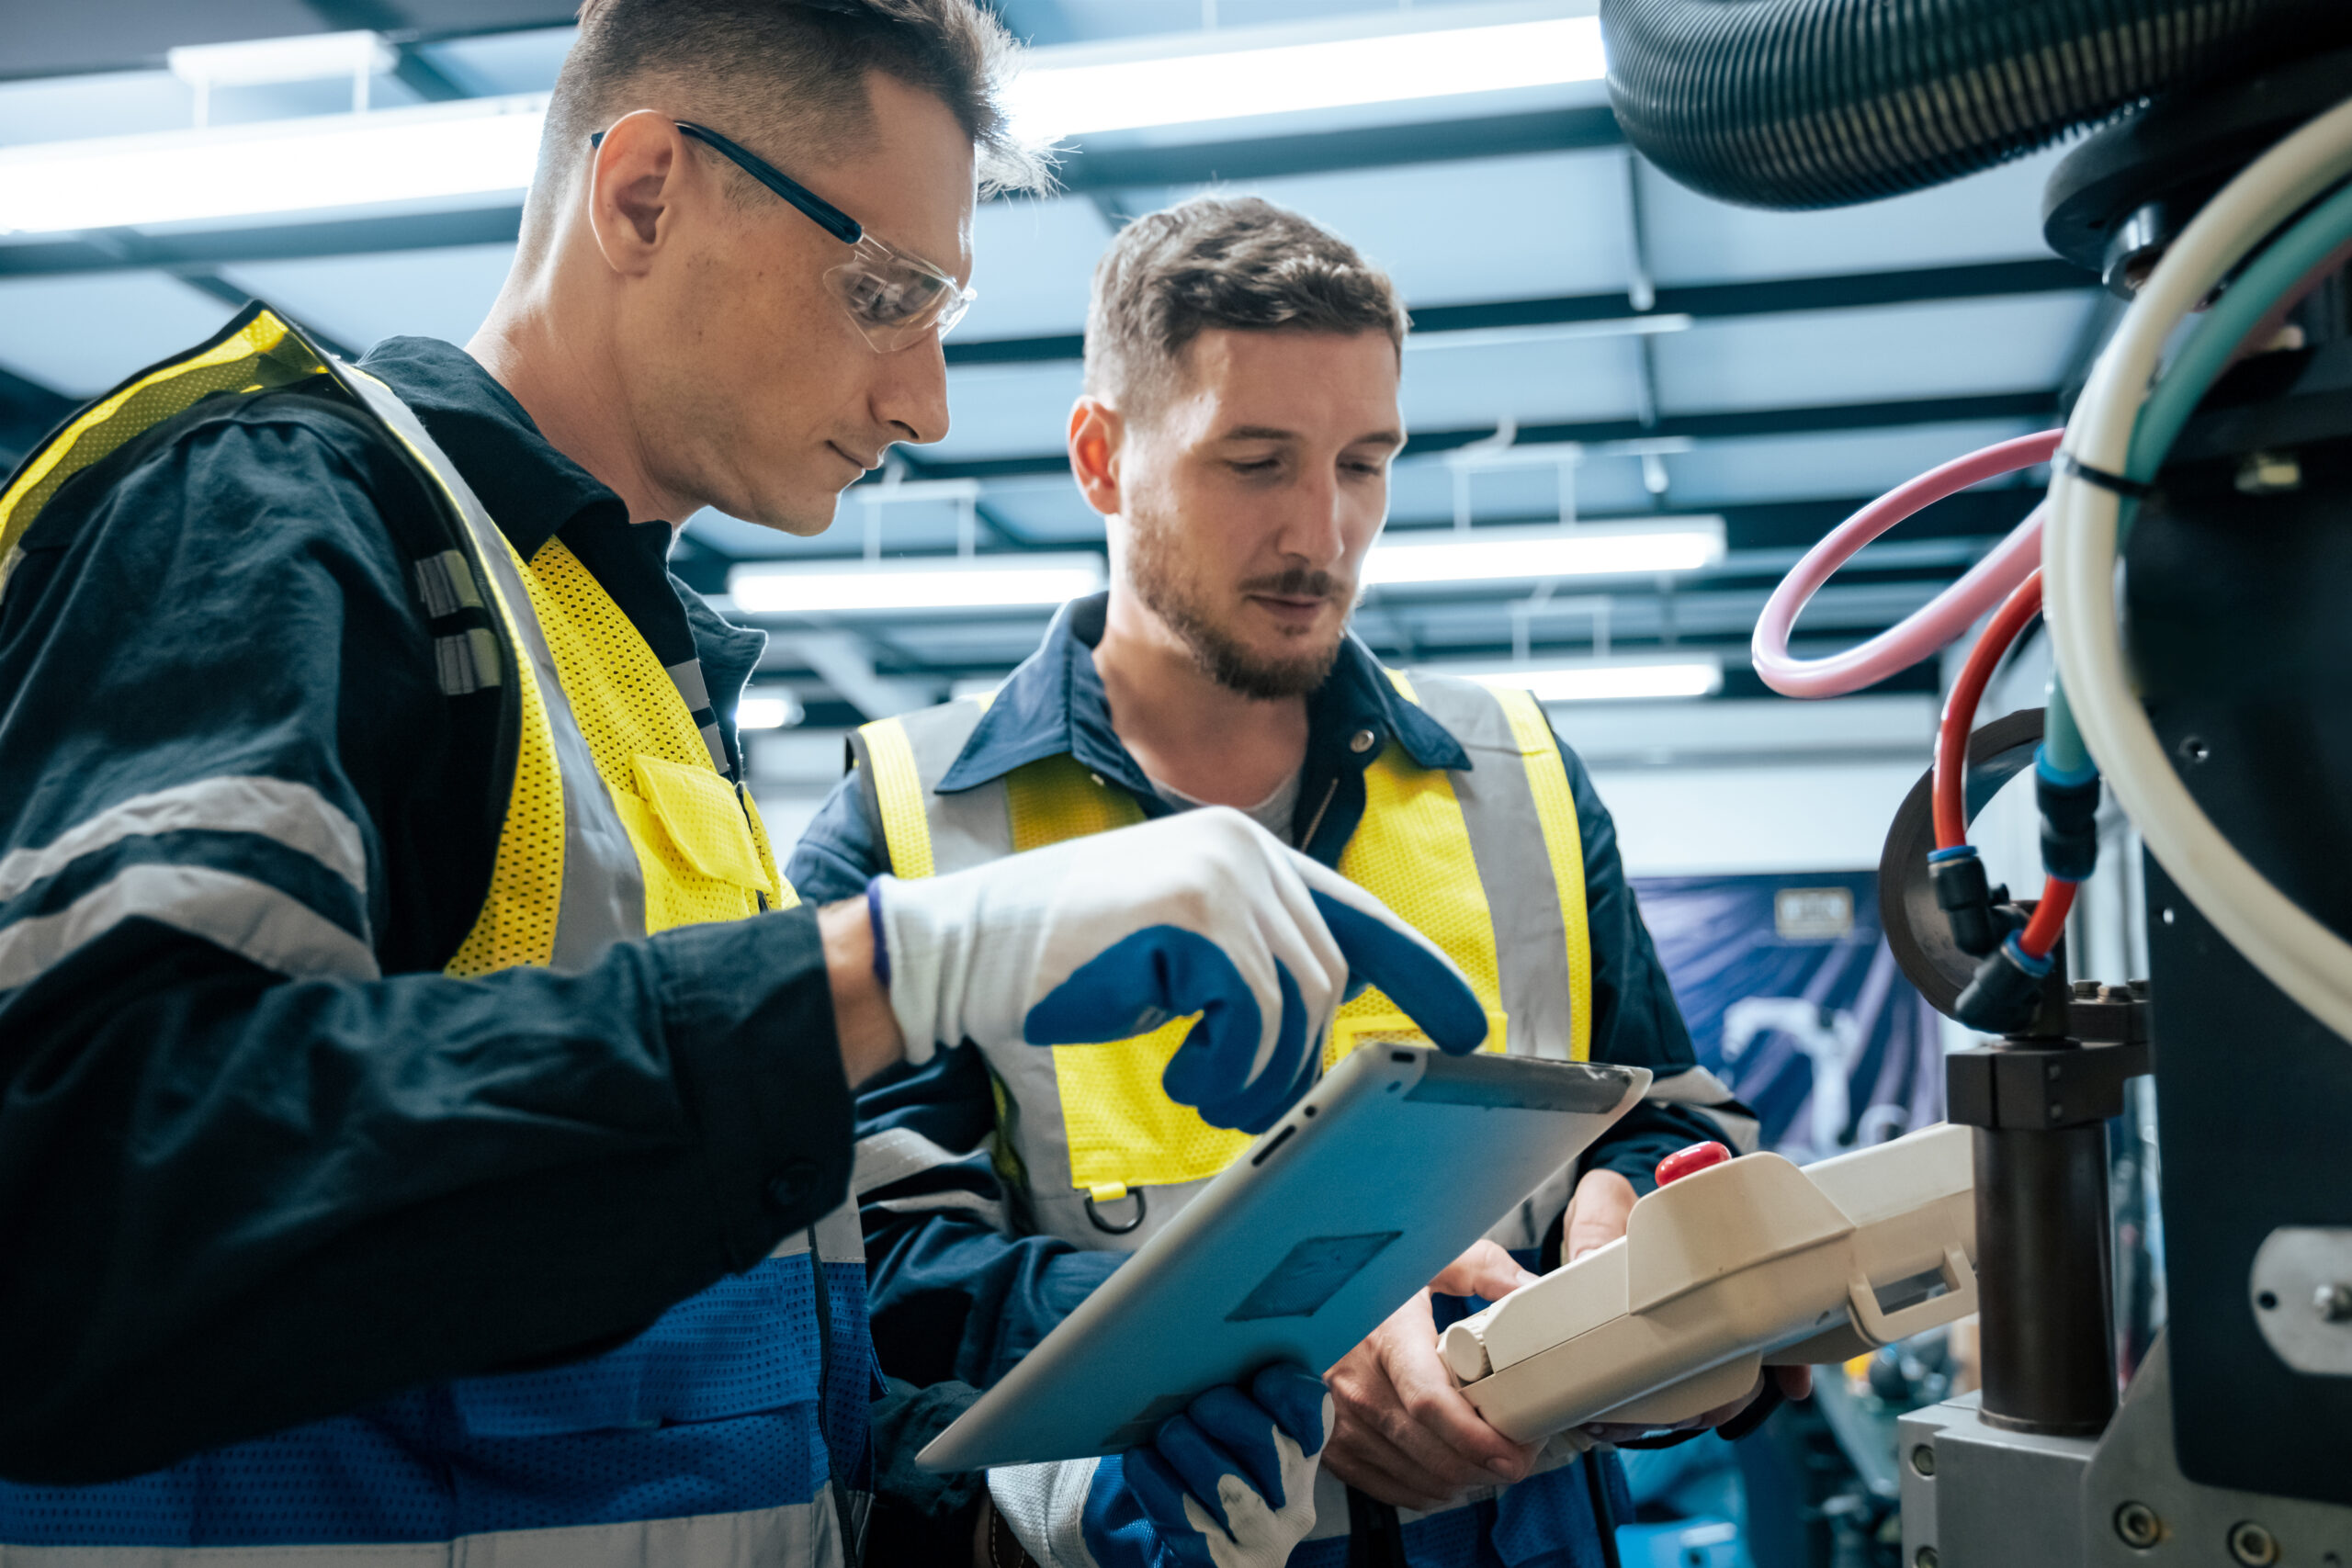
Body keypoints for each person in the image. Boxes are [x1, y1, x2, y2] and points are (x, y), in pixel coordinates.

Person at [0, 9, 1483, 1564]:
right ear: (643, 193)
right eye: (886, 294)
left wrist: (1019, 1507)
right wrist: (888, 966)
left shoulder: (620, 669)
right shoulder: (271, 514)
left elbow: (708, 1376)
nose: (928, 404)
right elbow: (86, 1199)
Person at [787, 196, 1797, 1568]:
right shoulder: (913, 819)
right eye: (1255, 462)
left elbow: (1665, 1107)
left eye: (1365, 462)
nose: (1322, 533)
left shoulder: (1522, 777)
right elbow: (880, 1277)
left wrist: (1638, 1206)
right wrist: (1278, 1334)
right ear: (1102, 458)